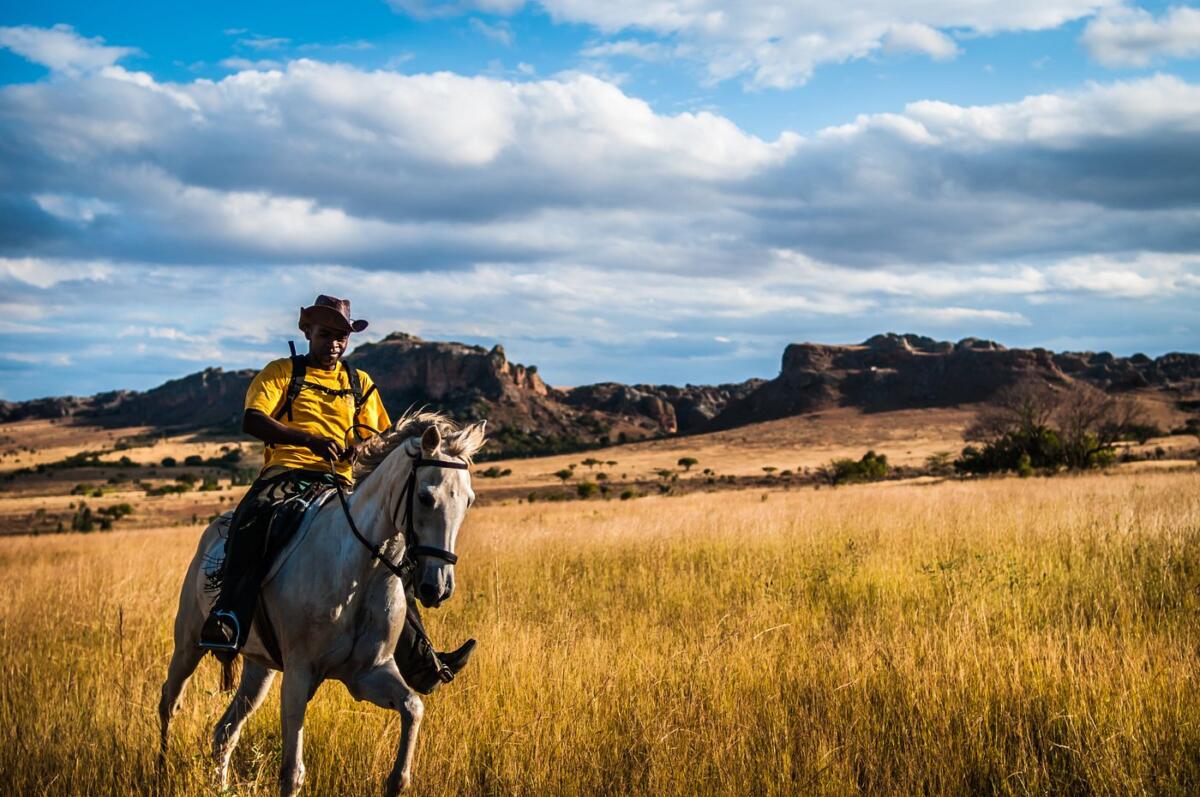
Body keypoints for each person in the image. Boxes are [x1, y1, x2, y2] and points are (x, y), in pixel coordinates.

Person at [199, 294, 474, 693]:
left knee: (387, 554)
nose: (334, 343)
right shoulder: (282, 373)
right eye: (326, 334)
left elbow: (381, 434)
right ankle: (229, 617)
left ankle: (422, 660)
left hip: (342, 482)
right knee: (253, 520)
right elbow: (253, 418)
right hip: (286, 475)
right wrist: (308, 439)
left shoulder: (358, 383)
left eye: (341, 336)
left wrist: (363, 448)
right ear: (307, 331)